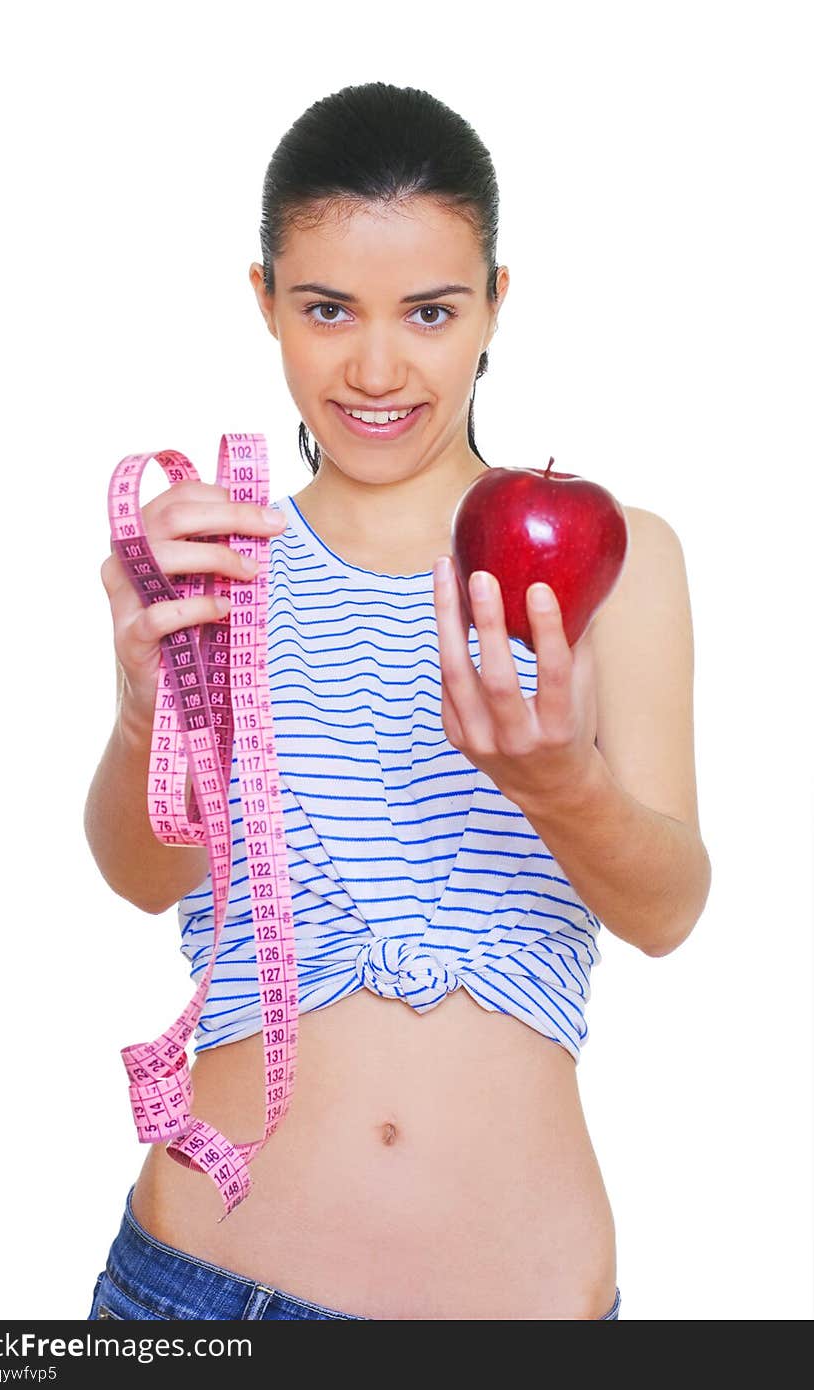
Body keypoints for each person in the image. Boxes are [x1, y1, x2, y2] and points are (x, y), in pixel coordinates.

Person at [84, 81, 711, 1322]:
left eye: (430, 311)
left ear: (494, 305)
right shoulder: (215, 553)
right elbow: (141, 874)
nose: (377, 366)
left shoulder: (616, 559)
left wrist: (557, 782)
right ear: (264, 300)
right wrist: (148, 712)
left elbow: (667, 908)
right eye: (327, 309)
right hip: (200, 1300)